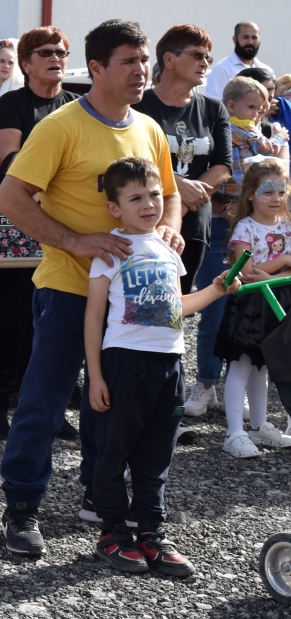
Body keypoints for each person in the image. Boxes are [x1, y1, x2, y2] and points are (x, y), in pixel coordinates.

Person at [0, 20, 180, 557]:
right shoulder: (61, 126)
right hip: (69, 290)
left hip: (132, 300)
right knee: (45, 401)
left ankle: (100, 497)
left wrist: (168, 228)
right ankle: (22, 506)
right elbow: (10, 198)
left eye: (144, 61)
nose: (141, 71)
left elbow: (169, 194)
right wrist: (75, 242)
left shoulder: (149, 128)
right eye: (129, 62)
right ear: (96, 69)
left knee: (113, 402)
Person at [86, 157, 233, 577]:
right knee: (114, 450)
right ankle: (112, 532)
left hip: (170, 364)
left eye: (154, 195)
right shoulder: (111, 251)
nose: (149, 204)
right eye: (135, 198)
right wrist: (95, 376)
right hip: (123, 363)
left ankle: (151, 531)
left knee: (157, 453)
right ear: (115, 208)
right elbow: (93, 316)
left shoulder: (170, 249)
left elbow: (176, 307)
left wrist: (216, 289)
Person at [0, 25, 79, 440]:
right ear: (25, 63)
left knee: (53, 321)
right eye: (45, 52)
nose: (55, 58)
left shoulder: (74, 106)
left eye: (60, 52)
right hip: (19, 226)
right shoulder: (12, 103)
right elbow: (9, 160)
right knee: (10, 316)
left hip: (62, 227)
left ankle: (45, 406)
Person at [132, 25, 233, 419]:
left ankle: (165, 409)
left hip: (194, 228)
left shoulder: (213, 109)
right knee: (144, 314)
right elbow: (131, 161)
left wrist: (192, 195)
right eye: (197, 55)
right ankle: (137, 403)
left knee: (175, 313)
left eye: (208, 56)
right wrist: (176, 187)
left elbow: (223, 165)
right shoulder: (141, 105)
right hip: (146, 226)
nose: (205, 63)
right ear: (170, 60)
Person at [213, 158, 291, 458]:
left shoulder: (287, 225)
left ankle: (259, 425)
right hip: (250, 303)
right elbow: (246, 271)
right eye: (268, 192)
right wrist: (284, 262)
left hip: (280, 298)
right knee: (242, 363)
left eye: (281, 192)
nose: (276, 198)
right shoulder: (245, 228)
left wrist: (273, 272)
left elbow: (267, 270)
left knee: (263, 365)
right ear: (250, 195)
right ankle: (234, 432)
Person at [205, 22, 268, 101]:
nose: (250, 42)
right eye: (245, 37)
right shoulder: (222, 69)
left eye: (254, 38)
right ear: (235, 39)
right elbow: (213, 103)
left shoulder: (266, 70)